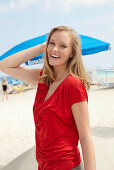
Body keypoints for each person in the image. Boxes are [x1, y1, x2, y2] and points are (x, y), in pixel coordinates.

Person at [0, 26, 96, 170]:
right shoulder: (44, 79)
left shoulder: (72, 85)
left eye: (62, 46)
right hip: (44, 166)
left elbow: (85, 138)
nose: (55, 49)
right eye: (52, 43)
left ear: (72, 53)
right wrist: (41, 47)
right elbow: (5, 65)